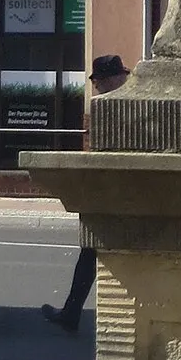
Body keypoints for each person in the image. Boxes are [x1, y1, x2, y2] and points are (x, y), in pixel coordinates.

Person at [42, 53, 128, 333]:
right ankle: (71, 311)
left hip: (114, 197)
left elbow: (103, 156)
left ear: (109, 80)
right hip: (124, 195)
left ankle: (72, 313)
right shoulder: (136, 101)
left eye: (99, 82)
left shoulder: (111, 107)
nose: (97, 89)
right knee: (91, 255)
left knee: (93, 255)